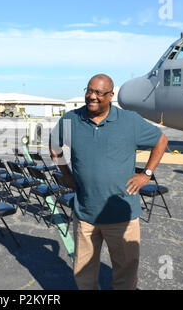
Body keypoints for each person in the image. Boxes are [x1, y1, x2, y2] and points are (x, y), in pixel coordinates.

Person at [49, 74, 168, 290]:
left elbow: (161, 140)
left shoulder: (129, 121)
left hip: (122, 217)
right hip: (85, 214)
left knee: (125, 273)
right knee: (83, 273)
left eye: (99, 93)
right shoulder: (70, 120)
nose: (92, 96)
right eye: (89, 90)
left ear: (111, 96)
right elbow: (54, 145)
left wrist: (147, 173)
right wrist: (66, 174)